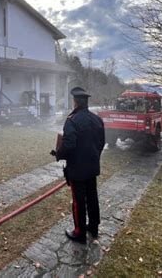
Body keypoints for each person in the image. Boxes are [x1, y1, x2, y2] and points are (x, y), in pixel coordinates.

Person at [52, 87, 105, 244]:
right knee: (92, 197)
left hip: (77, 169)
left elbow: (69, 145)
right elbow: (101, 143)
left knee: (78, 201)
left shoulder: (72, 121)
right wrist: (94, 157)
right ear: (86, 103)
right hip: (92, 166)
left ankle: (79, 232)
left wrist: (59, 154)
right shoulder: (97, 119)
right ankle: (93, 227)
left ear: (75, 102)